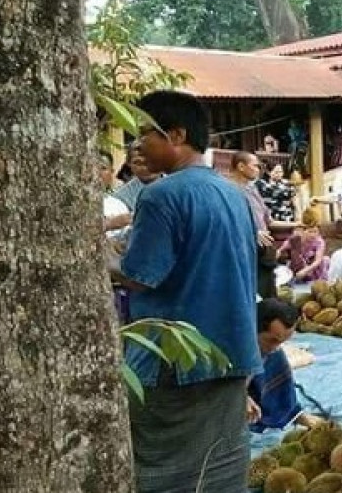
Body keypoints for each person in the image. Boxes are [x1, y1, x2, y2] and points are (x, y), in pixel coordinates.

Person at [108, 90, 260, 493]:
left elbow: (139, 276)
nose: (137, 145)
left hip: (174, 360)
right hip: (232, 352)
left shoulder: (161, 195)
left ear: (176, 135)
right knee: (220, 471)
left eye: (144, 134)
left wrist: (94, 253)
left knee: (161, 474)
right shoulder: (233, 192)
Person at [247, 299, 322, 432]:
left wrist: (296, 414)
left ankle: (290, 413)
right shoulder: (233, 346)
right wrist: (241, 398)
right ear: (254, 329)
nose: (276, 347)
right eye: (272, 340)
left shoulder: (273, 352)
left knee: (276, 357)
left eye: (282, 342)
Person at [230, 151, 298, 298]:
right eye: (255, 166)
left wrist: (298, 223)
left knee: (267, 292)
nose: (258, 169)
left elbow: (269, 221)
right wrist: (252, 232)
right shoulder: (229, 191)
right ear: (241, 166)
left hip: (264, 249)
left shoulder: (252, 189)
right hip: (244, 249)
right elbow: (227, 222)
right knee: (250, 294)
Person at [276, 208, 327, 283]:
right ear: (303, 230)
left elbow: (317, 261)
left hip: (313, 271)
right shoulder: (297, 237)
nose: (313, 235)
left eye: (316, 232)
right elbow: (285, 245)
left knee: (325, 260)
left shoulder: (319, 242)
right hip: (298, 268)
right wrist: (279, 251)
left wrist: (305, 270)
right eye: (310, 232)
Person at [114, 144, 163, 212]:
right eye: (138, 163)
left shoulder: (178, 185)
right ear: (129, 164)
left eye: (151, 160)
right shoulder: (121, 197)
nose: (146, 167)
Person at [100, 150, 132, 241]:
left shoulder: (119, 206)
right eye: (92, 166)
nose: (97, 172)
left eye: (103, 168)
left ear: (112, 172)